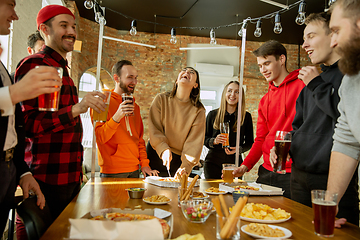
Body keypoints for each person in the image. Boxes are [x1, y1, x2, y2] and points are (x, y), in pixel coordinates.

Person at [14, 4, 106, 224]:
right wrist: (77, 109)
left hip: (69, 178)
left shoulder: (64, 70)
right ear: (44, 30)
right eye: (63, 25)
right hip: (45, 179)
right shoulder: (36, 64)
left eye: (73, 26)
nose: (72, 32)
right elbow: (28, 124)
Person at [269, 12, 359, 226]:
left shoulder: (350, 76)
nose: (304, 44)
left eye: (311, 36)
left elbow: (349, 122)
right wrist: (283, 147)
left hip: (333, 180)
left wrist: (316, 84)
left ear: (333, 35)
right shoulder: (311, 81)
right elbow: (299, 127)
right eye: (304, 38)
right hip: (298, 177)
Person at [0, 0, 63, 234]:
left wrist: (21, 170)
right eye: (10, 4)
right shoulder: (29, 64)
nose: (15, 15)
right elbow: (30, 124)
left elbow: (12, 127)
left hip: (9, 169)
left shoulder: (2, 67)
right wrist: (16, 92)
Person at [232, 40, 305, 198]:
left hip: (293, 173)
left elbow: (309, 128)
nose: (263, 70)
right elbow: (260, 139)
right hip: (266, 172)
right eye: (260, 66)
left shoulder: (302, 86)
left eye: (267, 63)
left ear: (282, 59)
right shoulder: (265, 100)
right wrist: (245, 166)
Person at [93, 60, 159, 178]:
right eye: (130, 77)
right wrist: (117, 116)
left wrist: (144, 164)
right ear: (116, 78)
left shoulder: (135, 107)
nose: (134, 82)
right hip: (112, 172)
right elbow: (100, 137)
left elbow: (139, 140)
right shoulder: (102, 102)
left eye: (135, 78)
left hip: (134, 170)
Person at [326, 0, 360, 213]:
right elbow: (346, 143)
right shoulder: (350, 82)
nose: (332, 42)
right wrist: (330, 203)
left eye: (337, 30)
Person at [147, 67, 206, 177]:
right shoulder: (160, 99)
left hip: (180, 161)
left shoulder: (199, 110)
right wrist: (163, 148)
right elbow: (154, 129)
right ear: (177, 80)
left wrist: (186, 166)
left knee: (176, 193)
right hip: (156, 153)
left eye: (191, 72)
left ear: (195, 85)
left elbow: (194, 142)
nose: (187, 72)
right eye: (184, 70)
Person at [203, 81, 254, 179]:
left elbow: (249, 142)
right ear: (224, 94)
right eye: (229, 91)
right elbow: (203, 138)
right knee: (212, 192)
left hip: (234, 164)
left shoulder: (246, 117)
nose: (232, 95)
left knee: (232, 193)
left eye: (237, 92)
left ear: (241, 96)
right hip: (212, 163)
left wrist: (239, 149)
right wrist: (214, 141)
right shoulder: (212, 115)